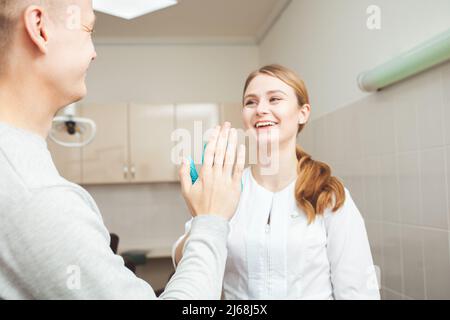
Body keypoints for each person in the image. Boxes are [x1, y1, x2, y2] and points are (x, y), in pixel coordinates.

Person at [0, 0, 245, 299]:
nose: (94, 52)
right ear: (40, 28)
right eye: (88, 29)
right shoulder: (37, 195)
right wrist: (212, 219)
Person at [173, 64, 380, 300]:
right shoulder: (227, 188)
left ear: (303, 112)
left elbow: (358, 292)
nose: (260, 109)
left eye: (274, 99)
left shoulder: (329, 195)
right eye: (250, 102)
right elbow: (183, 263)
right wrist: (206, 219)